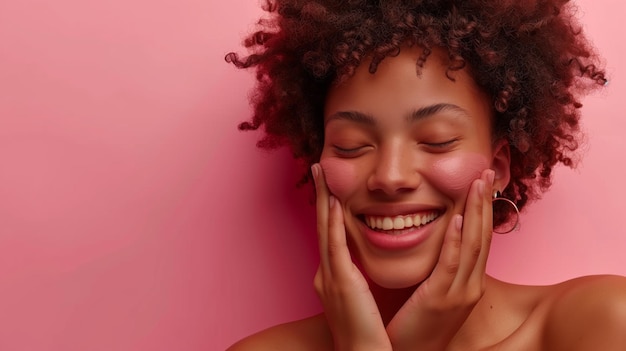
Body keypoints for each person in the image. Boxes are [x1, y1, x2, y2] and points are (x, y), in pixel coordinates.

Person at [225, 0, 626, 349]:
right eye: (351, 145)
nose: (390, 176)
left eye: (436, 140)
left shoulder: (601, 325)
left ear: (499, 168)